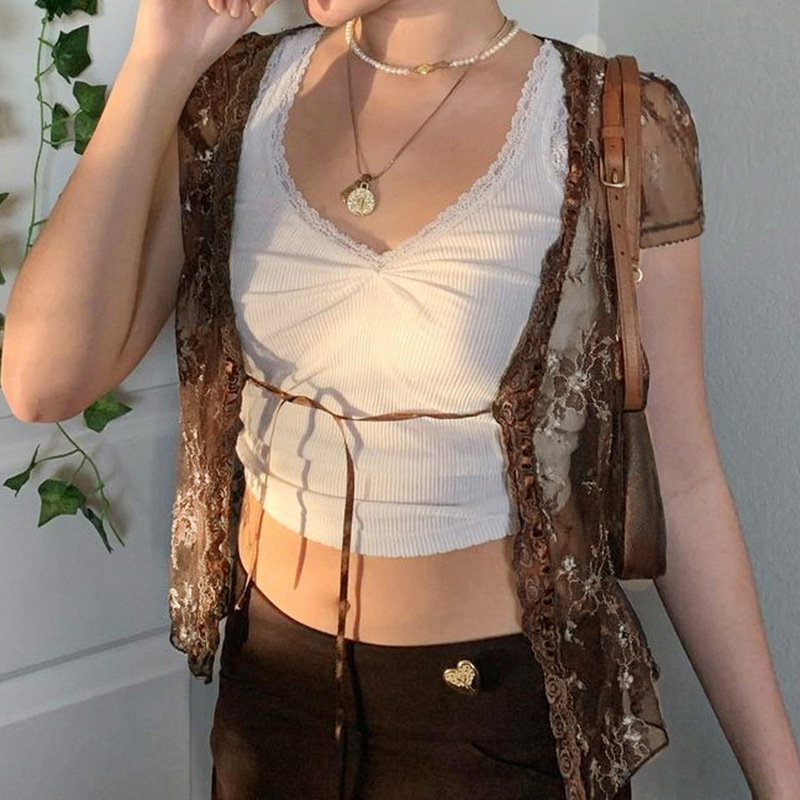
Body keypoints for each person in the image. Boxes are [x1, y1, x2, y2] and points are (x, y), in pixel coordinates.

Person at [2, 0, 799, 798]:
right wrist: (159, 62)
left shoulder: (608, 122)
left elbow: (684, 479)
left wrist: (778, 781)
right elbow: (41, 383)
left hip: (490, 727)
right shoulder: (235, 100)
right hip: (269, 709)